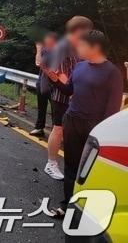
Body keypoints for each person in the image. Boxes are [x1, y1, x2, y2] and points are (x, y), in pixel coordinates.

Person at [47, 30, 123, 217]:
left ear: (95, 47)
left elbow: (112, 110)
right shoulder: (80, 66)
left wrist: (102, 133)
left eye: (81, 45)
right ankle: (67, 205)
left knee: (90, 169)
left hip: (94, 126)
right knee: (71, 165)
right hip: (72, 121)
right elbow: (69, 90)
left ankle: (89, 210)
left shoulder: (112, 73)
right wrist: (55, 80)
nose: (77, 48)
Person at [43, 16, 93, 180]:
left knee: (74, 131)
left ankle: (74, 165)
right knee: (58, 129)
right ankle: (51, 164)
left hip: (76, 94)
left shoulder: (78, 46)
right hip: (62, 94)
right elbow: (59, 73)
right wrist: (71, 92)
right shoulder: (63, 47)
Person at [30, 32, 58, 137]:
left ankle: (56, 131)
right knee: (41, 106)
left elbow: (39, 62)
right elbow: (37, 63)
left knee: (55, 109)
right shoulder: (45, 50)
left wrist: (38, 48)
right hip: (42, 81)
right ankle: (39, 127)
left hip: (54, 84)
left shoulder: (57, 52)